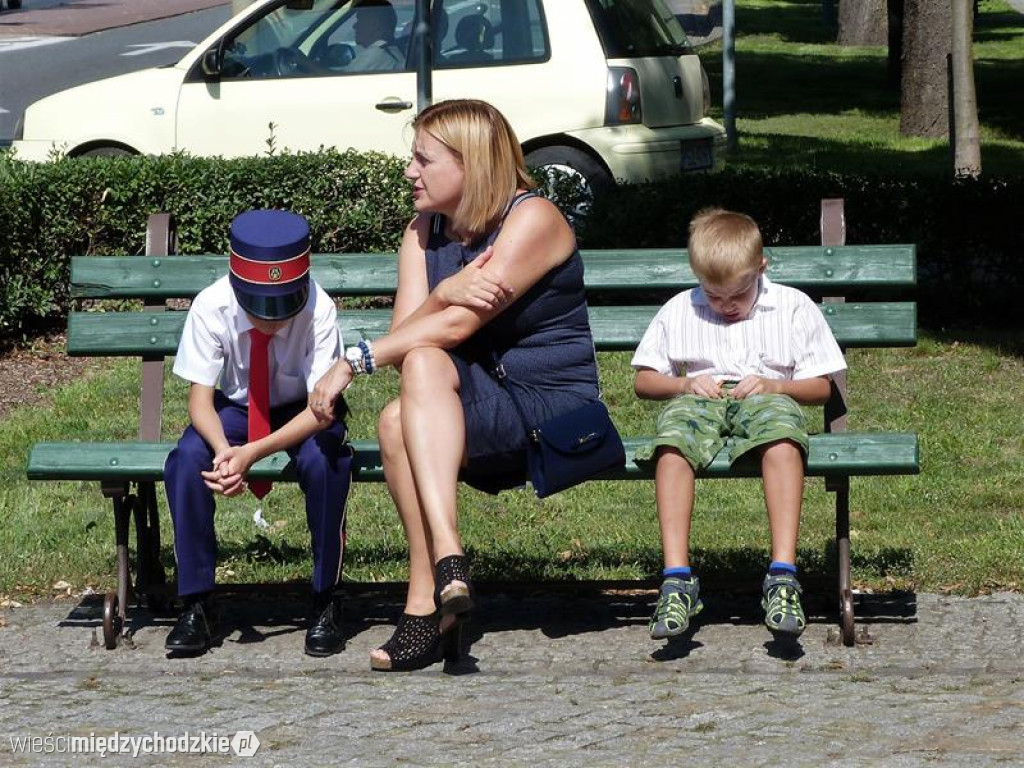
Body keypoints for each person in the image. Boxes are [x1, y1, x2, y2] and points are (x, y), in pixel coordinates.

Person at [310, 98, 604, 671]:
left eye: (422, 159)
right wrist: (445, 291)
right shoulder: (422, 233)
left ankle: (429, 595)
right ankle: (442, 583)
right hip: (468, 401)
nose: (407, 171)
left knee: (410, 392)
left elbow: (457, 326)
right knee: (401, 404)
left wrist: (353, 360)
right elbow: (411, 337)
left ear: (470, 163)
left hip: (550, 408)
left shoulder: (534, 219)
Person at [631, 208, 847, 642]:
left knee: (784, 441)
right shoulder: (680, 309)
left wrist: (777, 386)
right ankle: (677, 580)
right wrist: (685, 383)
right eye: (713, 297)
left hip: (769, 396)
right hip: (699, 398)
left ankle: (782, 575)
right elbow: (643, 381)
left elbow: (823, 387)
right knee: (671, 446)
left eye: (737, 295)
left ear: (761, 268)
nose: (726, 307)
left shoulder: (791, 307)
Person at [164, 209, 353, 658]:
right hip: (235, 406)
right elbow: (199, 403)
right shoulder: (211, 305)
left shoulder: (318, 308)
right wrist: (225, 450)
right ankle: (198, 602)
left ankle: (326, 597)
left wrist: (251, 453)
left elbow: (321, 409)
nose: (273, 319)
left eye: (284, 304)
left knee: (325, 461)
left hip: (307, 407)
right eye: (260, 306)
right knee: (186, 460)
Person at [347, 0, 404, 72]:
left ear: (374, 25)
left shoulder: (372, 57)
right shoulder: (397, 52)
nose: (354, 26)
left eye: (359, 20)